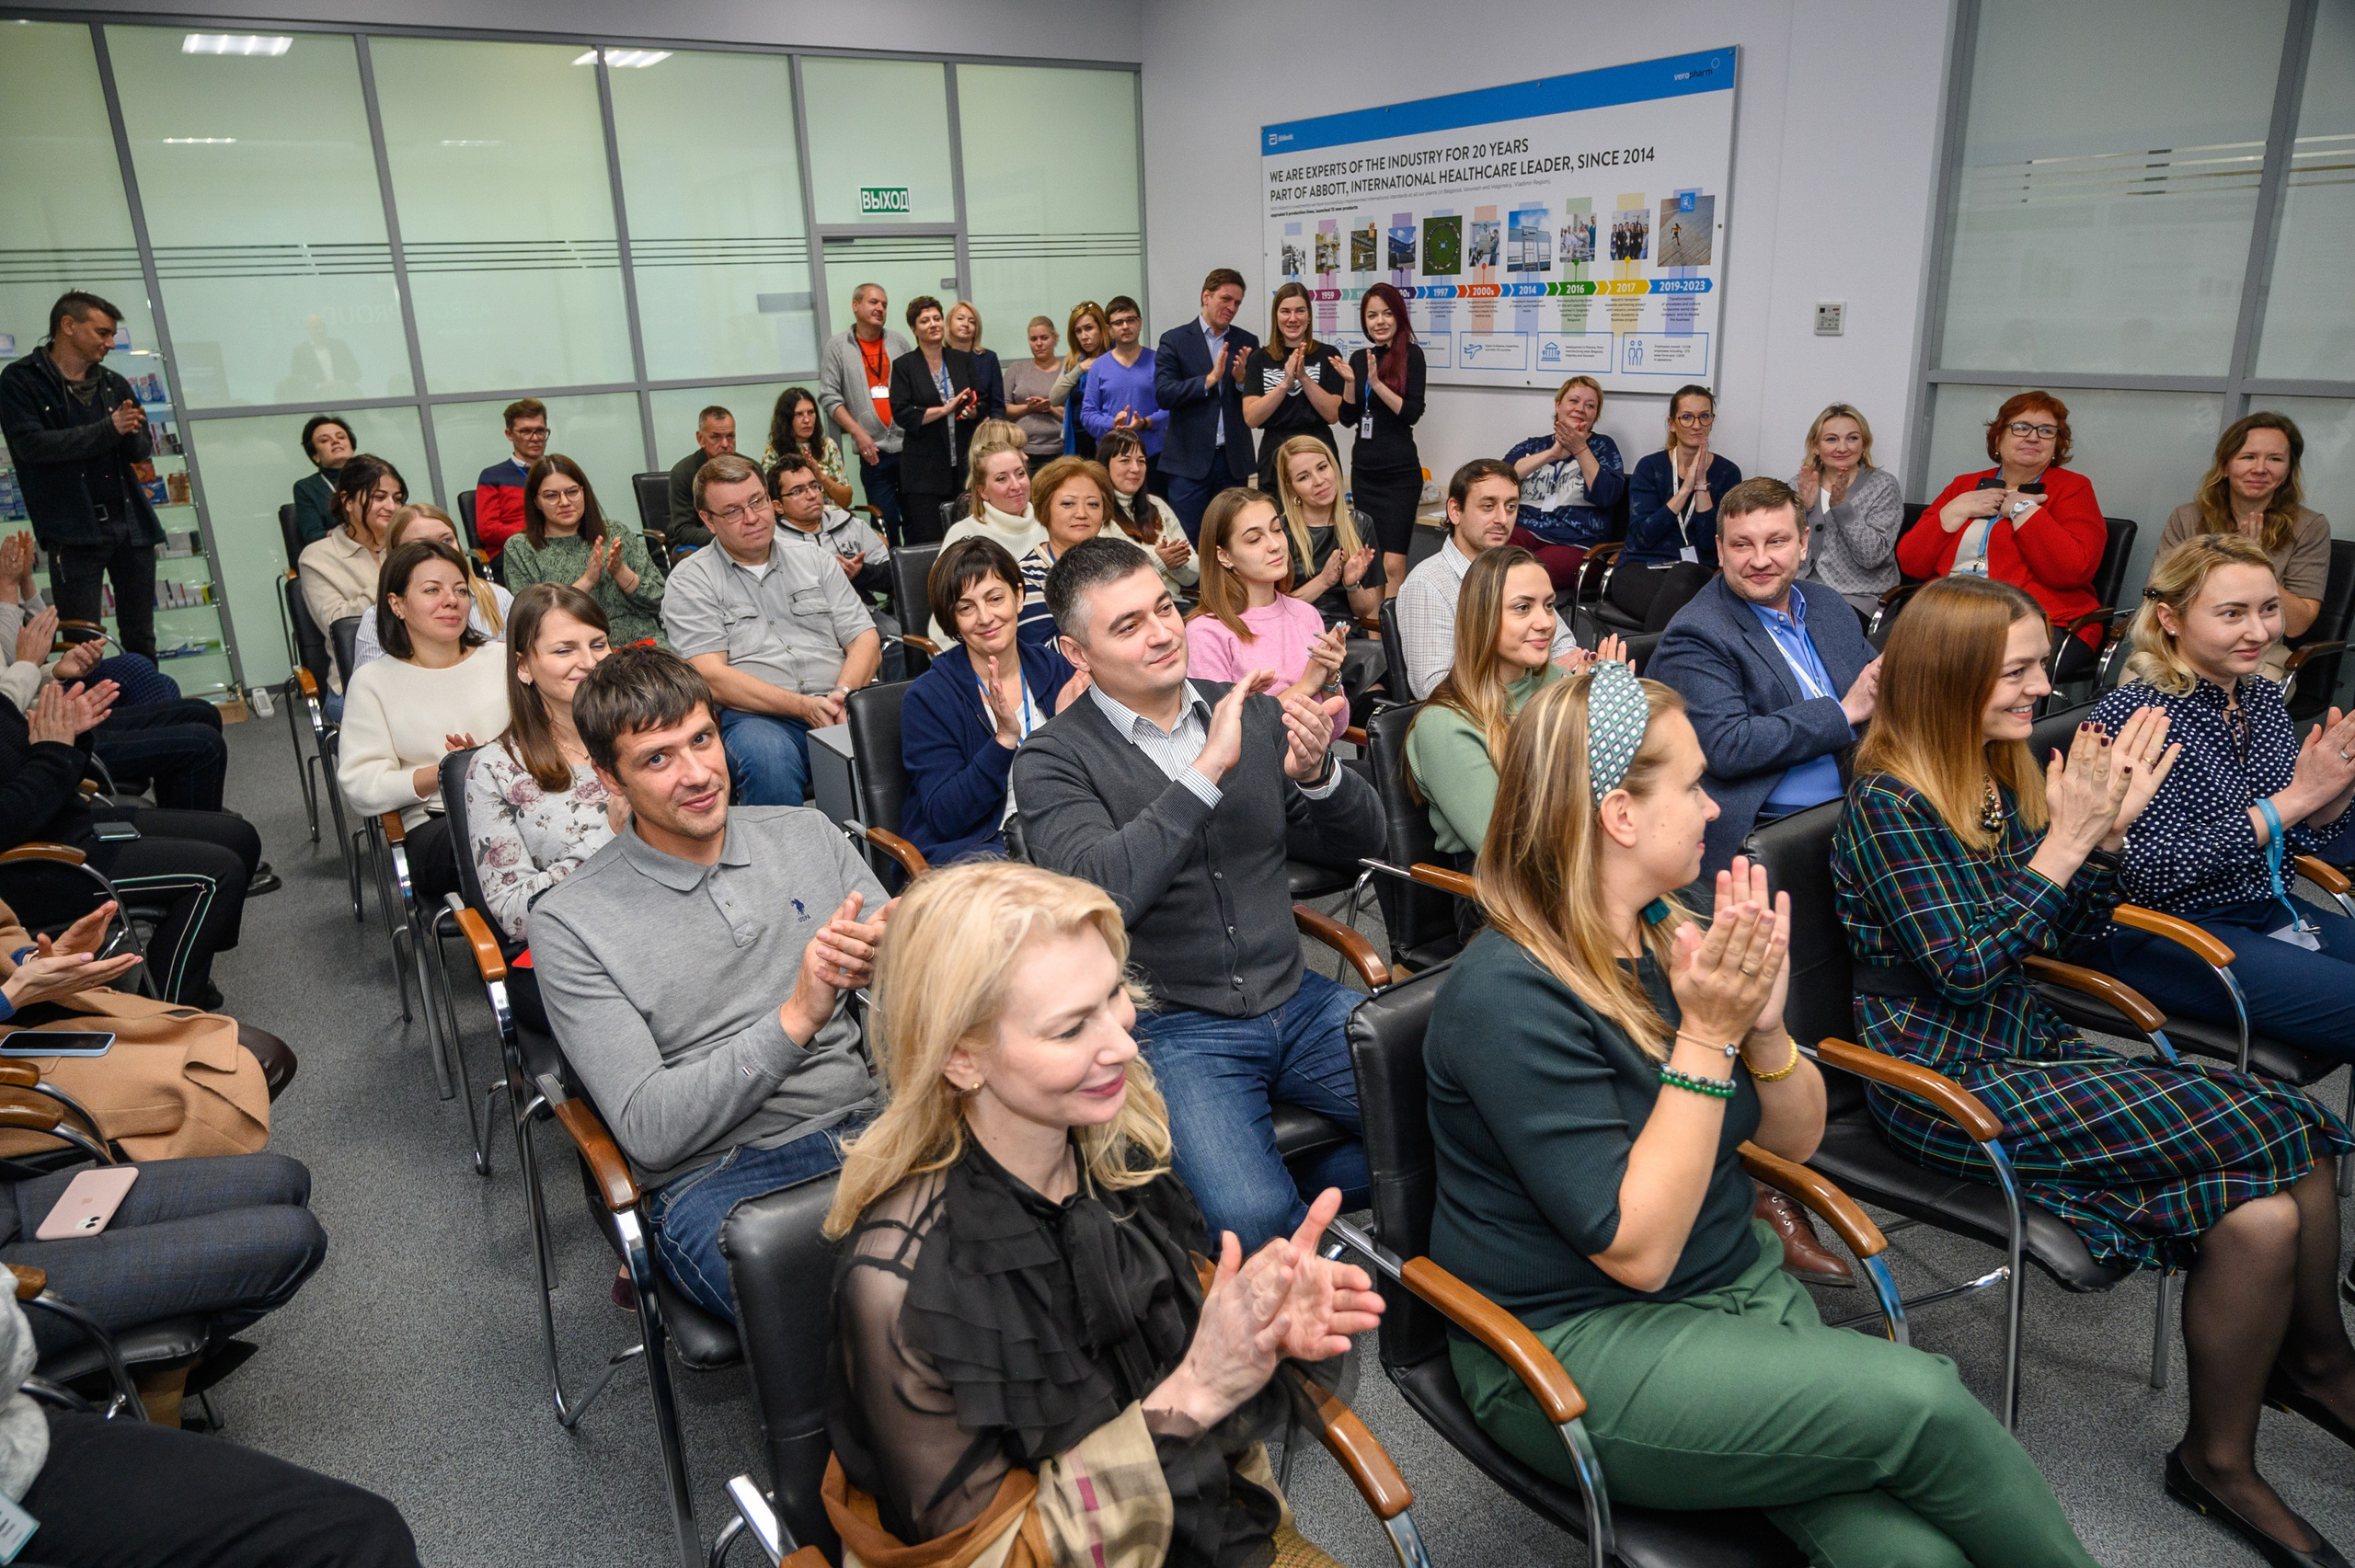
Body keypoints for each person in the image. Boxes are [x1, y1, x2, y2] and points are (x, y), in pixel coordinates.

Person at [1429, 663, 2101, 1566]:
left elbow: (1793, 1137)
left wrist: (1768, 1031)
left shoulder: (1666, 928)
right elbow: (1638, 1251)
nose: (1713, 808)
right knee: (1928, 1404)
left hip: (1732, 1292)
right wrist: (1708, 1037)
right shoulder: (1507, 994)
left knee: (1911, 1558)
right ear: (1619, 815)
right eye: (1693, 787)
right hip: (1573, 1346)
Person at [1836, 573, 2355, 1564]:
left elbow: (2060, 935)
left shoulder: (1993, 776)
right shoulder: (1888, 799)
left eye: (2039, 664)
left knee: (2267, 1214)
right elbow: (1963, 967)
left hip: (2026, 1049)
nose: (2046, 686)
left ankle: (2215, 1459)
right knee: (2297, 1127)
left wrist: (2104, 844)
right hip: (1943, 1082)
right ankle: (2322, 1363)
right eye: (2019, 670)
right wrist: (2068, 843)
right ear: (1949, 676)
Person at [824, 858, 1382, 1565]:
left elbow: (1193, 1378)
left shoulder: (1119, 1155)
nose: (1122, 1042)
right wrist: (1196, 1389)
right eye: (1069, 1029)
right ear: (961, 1058)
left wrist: (1253, 1327)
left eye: (1114, 992)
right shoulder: (901, 1288)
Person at [1013, 535, 1383, 1249]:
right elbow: (1101, 895)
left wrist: (1321, 778)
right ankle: (1259, 1206)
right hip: (1176, 1025)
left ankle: (1274, 1196)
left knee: (1446, 1111)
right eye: (1128, 625)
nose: (1161, 633)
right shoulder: (1052, 758)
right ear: (1076, 652)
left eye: (1164, 608)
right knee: (1249, 1217)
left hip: (1296, 995)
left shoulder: (1249, 710)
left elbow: (1363, 846)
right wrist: (1206, 770)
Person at [530, 647, 889, 1317]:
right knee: (866, 1304)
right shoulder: (569, 922)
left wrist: (904, 954)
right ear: (609, 777)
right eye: (657, 759)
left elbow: (900, 967)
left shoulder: (805, 832)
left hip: (864, 1122)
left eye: (702, 739)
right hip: (720, 1178)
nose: (697, 775)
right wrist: (796, 1017)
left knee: (1017, 1219)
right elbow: (650, 1129)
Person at [2095, 533, 2355, 1064]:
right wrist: (2296, 798)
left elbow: (2295, 837)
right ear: (2170, 619)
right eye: (2233, 613)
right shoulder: (2135, 716)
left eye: (2269, 609)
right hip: (2159, 930)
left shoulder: (2259, 696)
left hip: (2260, 905)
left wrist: (2331, 793)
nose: (2259, 632)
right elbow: (2147, 874)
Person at [0, 1272, 420, 1566]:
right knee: (362, 1540)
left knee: (361, 1532)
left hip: (17, 1446)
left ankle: (165, 1382)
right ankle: (161, 1387)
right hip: (17, 1463)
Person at [1648, 477, 1880, 882]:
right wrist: (1843, 713)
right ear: (1720, 550)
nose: (1760, 560)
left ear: (1803, 543)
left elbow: (1875, 691)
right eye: (1742, 545)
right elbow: (1728, 746)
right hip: (1771, 830)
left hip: (1859, 805)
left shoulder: (1827, 605)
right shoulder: (1697, 633)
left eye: (1776, 541)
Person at [2, 675, 259, 1008]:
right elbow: (10, 819)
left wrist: (71, 739)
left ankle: (188, 967)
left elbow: (44, 771)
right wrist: (55, 751)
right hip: (33, 868)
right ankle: (163, 1013)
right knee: (217, 875)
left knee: (240, 838)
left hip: (65, 826)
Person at [661, 454, 879, 807]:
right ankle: (786, 846)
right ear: (707, 520)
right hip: (759, 717)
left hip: (844, 699)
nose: (752, 518)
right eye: (733, 511)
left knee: (920, 733)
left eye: (757, 501)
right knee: (768, 763)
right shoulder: (691, 581)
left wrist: (841, 694)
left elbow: (865, 638)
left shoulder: (815, 560)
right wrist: (805, 707)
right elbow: (711, 676)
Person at [463, 584, 616, 1033]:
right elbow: (515, 913)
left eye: (598, 645)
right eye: (564, 650)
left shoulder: (646, 734)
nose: (589, 662)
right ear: (523, 667)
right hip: (576, 946)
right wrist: (611, 833)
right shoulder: (495, 769)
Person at [338, 540, 511, 906]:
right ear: (396, 604)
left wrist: (494, 761)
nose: (451, 601)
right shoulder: (373, 682)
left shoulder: (503, 659)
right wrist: (447, 772)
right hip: (437, 823)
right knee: (504, 837)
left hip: (523, 800)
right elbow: (362, 786)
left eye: (460, 590)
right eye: (432, 590)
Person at [899, 537, 1085, 864]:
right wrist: (1004, 740)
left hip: (1062, 826)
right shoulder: (929, 697)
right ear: (952, 620)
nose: (985, 617)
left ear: (1019, 596)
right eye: (966, 608)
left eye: (995, 598)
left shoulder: (1057, 669)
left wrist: (1075, 729)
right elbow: (946, 818)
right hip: (979, 846)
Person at [0, 292, 164, 662]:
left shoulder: (113, 383)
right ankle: (91, 703)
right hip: (73, 533)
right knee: (82, 643)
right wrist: (110, 428)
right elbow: (33, 447)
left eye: (113, 335)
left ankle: (149, 699)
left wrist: (131, 430)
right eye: (102, 333)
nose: (111, 343)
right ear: (69, 326)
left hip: (131, 525)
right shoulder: (20, 381)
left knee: (141, 635)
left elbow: (139, 452)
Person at [1901, 391, 2107, 678]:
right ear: (1998, 439)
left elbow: (2073, 570)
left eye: (2046, 431)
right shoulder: (1964, 486)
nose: (2033, 437)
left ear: (2056, 444)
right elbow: (1912, 563)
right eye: (2021, 427)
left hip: (2034, 619)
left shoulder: (2072, 488)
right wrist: (1955, 509)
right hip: (1949, 610)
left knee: (1966, 676)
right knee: (1877, 663)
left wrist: (2023, 511)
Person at [1405, 544, 1579, 858]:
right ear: (1482, 617)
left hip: (1580, 853)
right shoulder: (1445, 723)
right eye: (1523, 608)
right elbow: (1506, 851)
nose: (1545, 622)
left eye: (1549, 605)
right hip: (1506, 878)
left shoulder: (1561, 683)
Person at [2158, 411, 2331, 681]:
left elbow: (2297, 625)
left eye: (2275, 459)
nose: (2260, 469)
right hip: (2185, 649)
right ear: (2225, 466)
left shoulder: (2309, 526)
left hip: (2258, 654)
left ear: (2287, 472)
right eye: (2248, 457)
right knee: (2138, 692)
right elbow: (2157, 597)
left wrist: (2257, 564)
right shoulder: (2187, 518)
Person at [1398, 459, 1584, 700]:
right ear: (1455, 511)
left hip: (1537, 708)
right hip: (1476, 719)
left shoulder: (1518, 570)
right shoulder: (1428, 583)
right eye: (1488, 506)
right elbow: (1433, 689)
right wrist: (1542, 679)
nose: (1502, 519)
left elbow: (1566, 649)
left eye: (1511, 507)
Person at [1186, 488, 1349, 741]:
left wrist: (1330, 678)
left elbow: (1337, 729)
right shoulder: (1205, 632)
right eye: (1254, 540)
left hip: (1317, 760)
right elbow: (1224, 737)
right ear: (1224, 556)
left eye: (1277, 530)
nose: (1275, 545)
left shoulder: (1306, 615)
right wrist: (1306, 685)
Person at [500, 455, 667, 648]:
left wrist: (621, 572)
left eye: (572, 492)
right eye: (551, 496)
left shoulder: (615, 532)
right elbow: (531, 622)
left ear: (584, 492)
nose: (564, 502)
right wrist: (587, 581)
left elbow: (658, 600)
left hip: (642, 642)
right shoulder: (520, 548)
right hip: (574, 648)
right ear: (536, 501)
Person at [1154, 269, 1259, 541]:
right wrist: (1208, 380)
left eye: (1237, 303)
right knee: (1189, 541)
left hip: (1232, 461)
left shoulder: (1247, 342)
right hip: (1188, 462)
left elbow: (1255, 397)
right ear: (1206, 296)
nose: (1232, 307)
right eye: (1226, 299)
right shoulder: (1175, 340)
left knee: (1233, 537)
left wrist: (1241, 381)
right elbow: (1164, 394)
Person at [1623, 384, 1741, 625]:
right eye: (1687, 417)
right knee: (1680, 610)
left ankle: (1645, 650)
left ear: (1711, 421)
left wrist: (1701, 487)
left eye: (1704, 416)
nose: (1696, 425)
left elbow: (1711, 546)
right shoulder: (1649, 467)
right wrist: (1685, 489)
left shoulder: (1728, 473)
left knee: (1683, 577)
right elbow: (1642, 537)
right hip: (1642, 566)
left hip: (1696, 571)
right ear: (1672, 424)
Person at [1338, 281, 1428, 591]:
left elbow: (1411, 412)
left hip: (1400, 475)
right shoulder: (1359, 358)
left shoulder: (1412, 356)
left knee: (1393, 563)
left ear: (1398, 316)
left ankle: (1390, 623)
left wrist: (1376, 384)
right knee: (1370, 561)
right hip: (1365, 474)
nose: (1380, 321)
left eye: (1387, 314)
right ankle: (1372, 623)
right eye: (1372, 315)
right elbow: (1347, 418)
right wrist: (1351, 384)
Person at [297, 452, 404, 706]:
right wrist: (396, 578)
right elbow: (338, 625)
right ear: (347, 501)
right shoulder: (317, 557)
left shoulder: (407, 543)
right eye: (379, 497)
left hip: (424, 667)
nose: (392, 507)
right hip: (357, 679)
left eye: (397, 498)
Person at [350, 504, 511, 671]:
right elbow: (371, 682)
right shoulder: (375, 621)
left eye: (447, 540)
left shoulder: (498, 597)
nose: (438, 551)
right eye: (421, 545)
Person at [1503, 374, 1626, 588]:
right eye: (1573, 401)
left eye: (1590, 405)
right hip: (1525, 531)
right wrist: (1551, 455)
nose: (1580, 409)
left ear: (1595, 415)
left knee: (1529, 574)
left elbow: (1607, 496)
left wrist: (1580, 449)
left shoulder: (1604, 447)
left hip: (1576, 544)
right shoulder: (1533, 446)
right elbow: (1501, 479)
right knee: (1493, 560)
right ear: (1558, 405)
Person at [819, 282, 913, 544]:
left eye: (884, 304)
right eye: (873, 302)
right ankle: (891, 570)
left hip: (909, 448)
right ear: (855, 305)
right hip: (873, 453)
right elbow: (828, 396)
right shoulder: (838, 346)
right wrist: (858, 434)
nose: (880, 308)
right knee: (886, 521)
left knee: (916, 518)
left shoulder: (898, 342)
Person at [1792, 402, 1904, 617]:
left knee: (1812, 626)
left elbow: (1872, 557)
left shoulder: (1883, 486)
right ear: (1815, 446)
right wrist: (1806, 511)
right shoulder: (1800, 485)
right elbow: (1783, 549)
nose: (1842, 448)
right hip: (1801, 592)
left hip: (1858, 598)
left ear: (1864, 445)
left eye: (1852, 438)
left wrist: (1841, 507)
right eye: (1831, 439)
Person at [927, 441, 1044, 643]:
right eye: (1002, 479)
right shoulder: (964, 534)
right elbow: (948, 604)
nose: (1016, 485)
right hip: (979, 642)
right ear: (983, 491)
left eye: (1020, 474)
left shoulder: (1050, 525)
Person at [888, 296, 980, 546]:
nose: (933, 324)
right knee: (932, 541)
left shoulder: (961, 359)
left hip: (962, 466)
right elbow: (903, 413)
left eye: (937, 318)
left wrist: (972, 411)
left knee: (969, 540)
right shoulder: (905, 365)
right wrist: (944, 410)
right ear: (914, 329)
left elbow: (979, 400)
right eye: (925, 321)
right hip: (924, 473)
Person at [1243, 280, 1348, 494]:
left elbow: (1333, 414)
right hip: (1275, 458)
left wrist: (1303, 378)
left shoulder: (1328, 354)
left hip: (1318, 453)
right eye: (1285, 311)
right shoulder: (1259, 358)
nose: (1293, 318)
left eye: (1300, 311)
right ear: (1276, 316)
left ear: (1309, 316)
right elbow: (1252, 418)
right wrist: (1285, 384)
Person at [1272, 435, 1383, 624]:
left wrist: (1351, 584)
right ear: (1291, 488)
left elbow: (1363, 611)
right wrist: (1324, 581)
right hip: (1295, 632)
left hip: (1345, 633)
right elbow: (1273, 610)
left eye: (1322, 468)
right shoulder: (1280, 531)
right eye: (1304, 477)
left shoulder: (1361, 523)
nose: (1318, 481)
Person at [1014, 457, 1113, 648]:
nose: (1082, 513)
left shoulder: (1118, 560)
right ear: (1045, 509)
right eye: (1068, 503)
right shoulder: (1027, 577)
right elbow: (1042, 653)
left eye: (1093, 504)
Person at [1097, 429, 1198, 601]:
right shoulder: (1096, 511)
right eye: (1125, 461)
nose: (1135, 469)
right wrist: (1158, 561)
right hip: (1127, 607)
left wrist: (1174, 565)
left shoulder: (1157, 505)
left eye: (1141, 461)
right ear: (1105, 466)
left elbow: (1194, 573)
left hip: (1173, 602)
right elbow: (1111, 578)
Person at [1079, 295, 1165, 490]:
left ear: (1140, 323)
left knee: (1151, 508)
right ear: (1109, 329)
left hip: (1151, 459)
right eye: (1118, 323)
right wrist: (1112, 424)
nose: (1125, 326)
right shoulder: (1099, 366)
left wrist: (1145, 423)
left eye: (1130, 320)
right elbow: (1087, 414)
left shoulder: (1158, 362)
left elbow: (1170, 409)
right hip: (1111, 458)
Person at [472, 397, 549, 566]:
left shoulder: (557, 472)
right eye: (526, 431)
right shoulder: (492, 476)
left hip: (554, 547)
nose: (535, 438)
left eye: (540, 431)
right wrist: (535, 534)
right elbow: (487, 530)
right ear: (509, 434)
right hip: (510, 553)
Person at [763, 386, 851, 510]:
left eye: (811, 412)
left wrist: (818, 474)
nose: (807, 420)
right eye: (799, 414)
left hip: (832, 516)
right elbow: (772, 502)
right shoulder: (773, 450)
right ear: (786, 419)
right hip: (796, 519)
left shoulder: (827, 445)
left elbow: (846, 500)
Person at [665, 404, 737, 546]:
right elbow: (684, 530)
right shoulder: (683, 472)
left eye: (730, 436)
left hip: (741, 538)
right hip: (696, 543)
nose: (725, 444)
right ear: (701, 439)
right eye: (716, 437)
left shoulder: (750, 470)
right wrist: (725, 540)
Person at [1003, 315, 1064, 470]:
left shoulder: (1067, 370)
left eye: (1044, 338)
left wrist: (1050, 408)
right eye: (1033, 339)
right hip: (1022, 450)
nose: (1039, 344)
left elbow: (1075, 414)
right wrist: (1028, 408)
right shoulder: (1017, 369)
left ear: (1055, 338)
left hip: (1059, 449)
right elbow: (1003, 409)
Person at [1051, 299, 1111, 457]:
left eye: (1089, 328)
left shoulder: (1115, 358)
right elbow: (1055, 398)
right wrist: (1079, 369)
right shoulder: (1074, 360)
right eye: (1078, 331)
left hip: (1106, 437)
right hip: (1077, 438)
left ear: (1102, 328)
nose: (1084, 336)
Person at [291, 413, 356, 548]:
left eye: (341, 437)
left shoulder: (376, 477)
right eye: (325, 440)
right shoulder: (306, 487)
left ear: (352, 448)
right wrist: (350, 532)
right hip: (336, 552)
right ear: (315, 456)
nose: (335, 441)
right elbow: (313, 536)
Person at [945, 301, 1006, 423]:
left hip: (983, 427)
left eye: (972, 321)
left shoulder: (988, 358)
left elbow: (998, 406)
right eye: (960, 319)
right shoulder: (939, 357)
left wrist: (990, 423)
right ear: (949, 323)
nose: (966, 324)